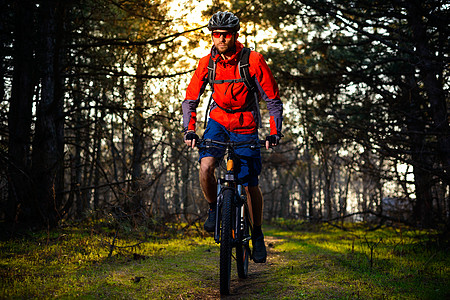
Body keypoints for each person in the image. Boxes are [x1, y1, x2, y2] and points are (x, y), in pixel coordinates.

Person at [182, 11, 283, 263]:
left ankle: (257, 233)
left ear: (235, 35)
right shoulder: (207, 62)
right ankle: (215, 209)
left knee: (249, 183)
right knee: (206, 166)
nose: (221, 39)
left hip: (245, 123)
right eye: (216, 34)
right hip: (217, 120)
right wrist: (190, 129)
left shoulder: (254, 60)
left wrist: (274, 132)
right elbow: (190, 99)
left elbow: (272, 101)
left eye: (226, 34)